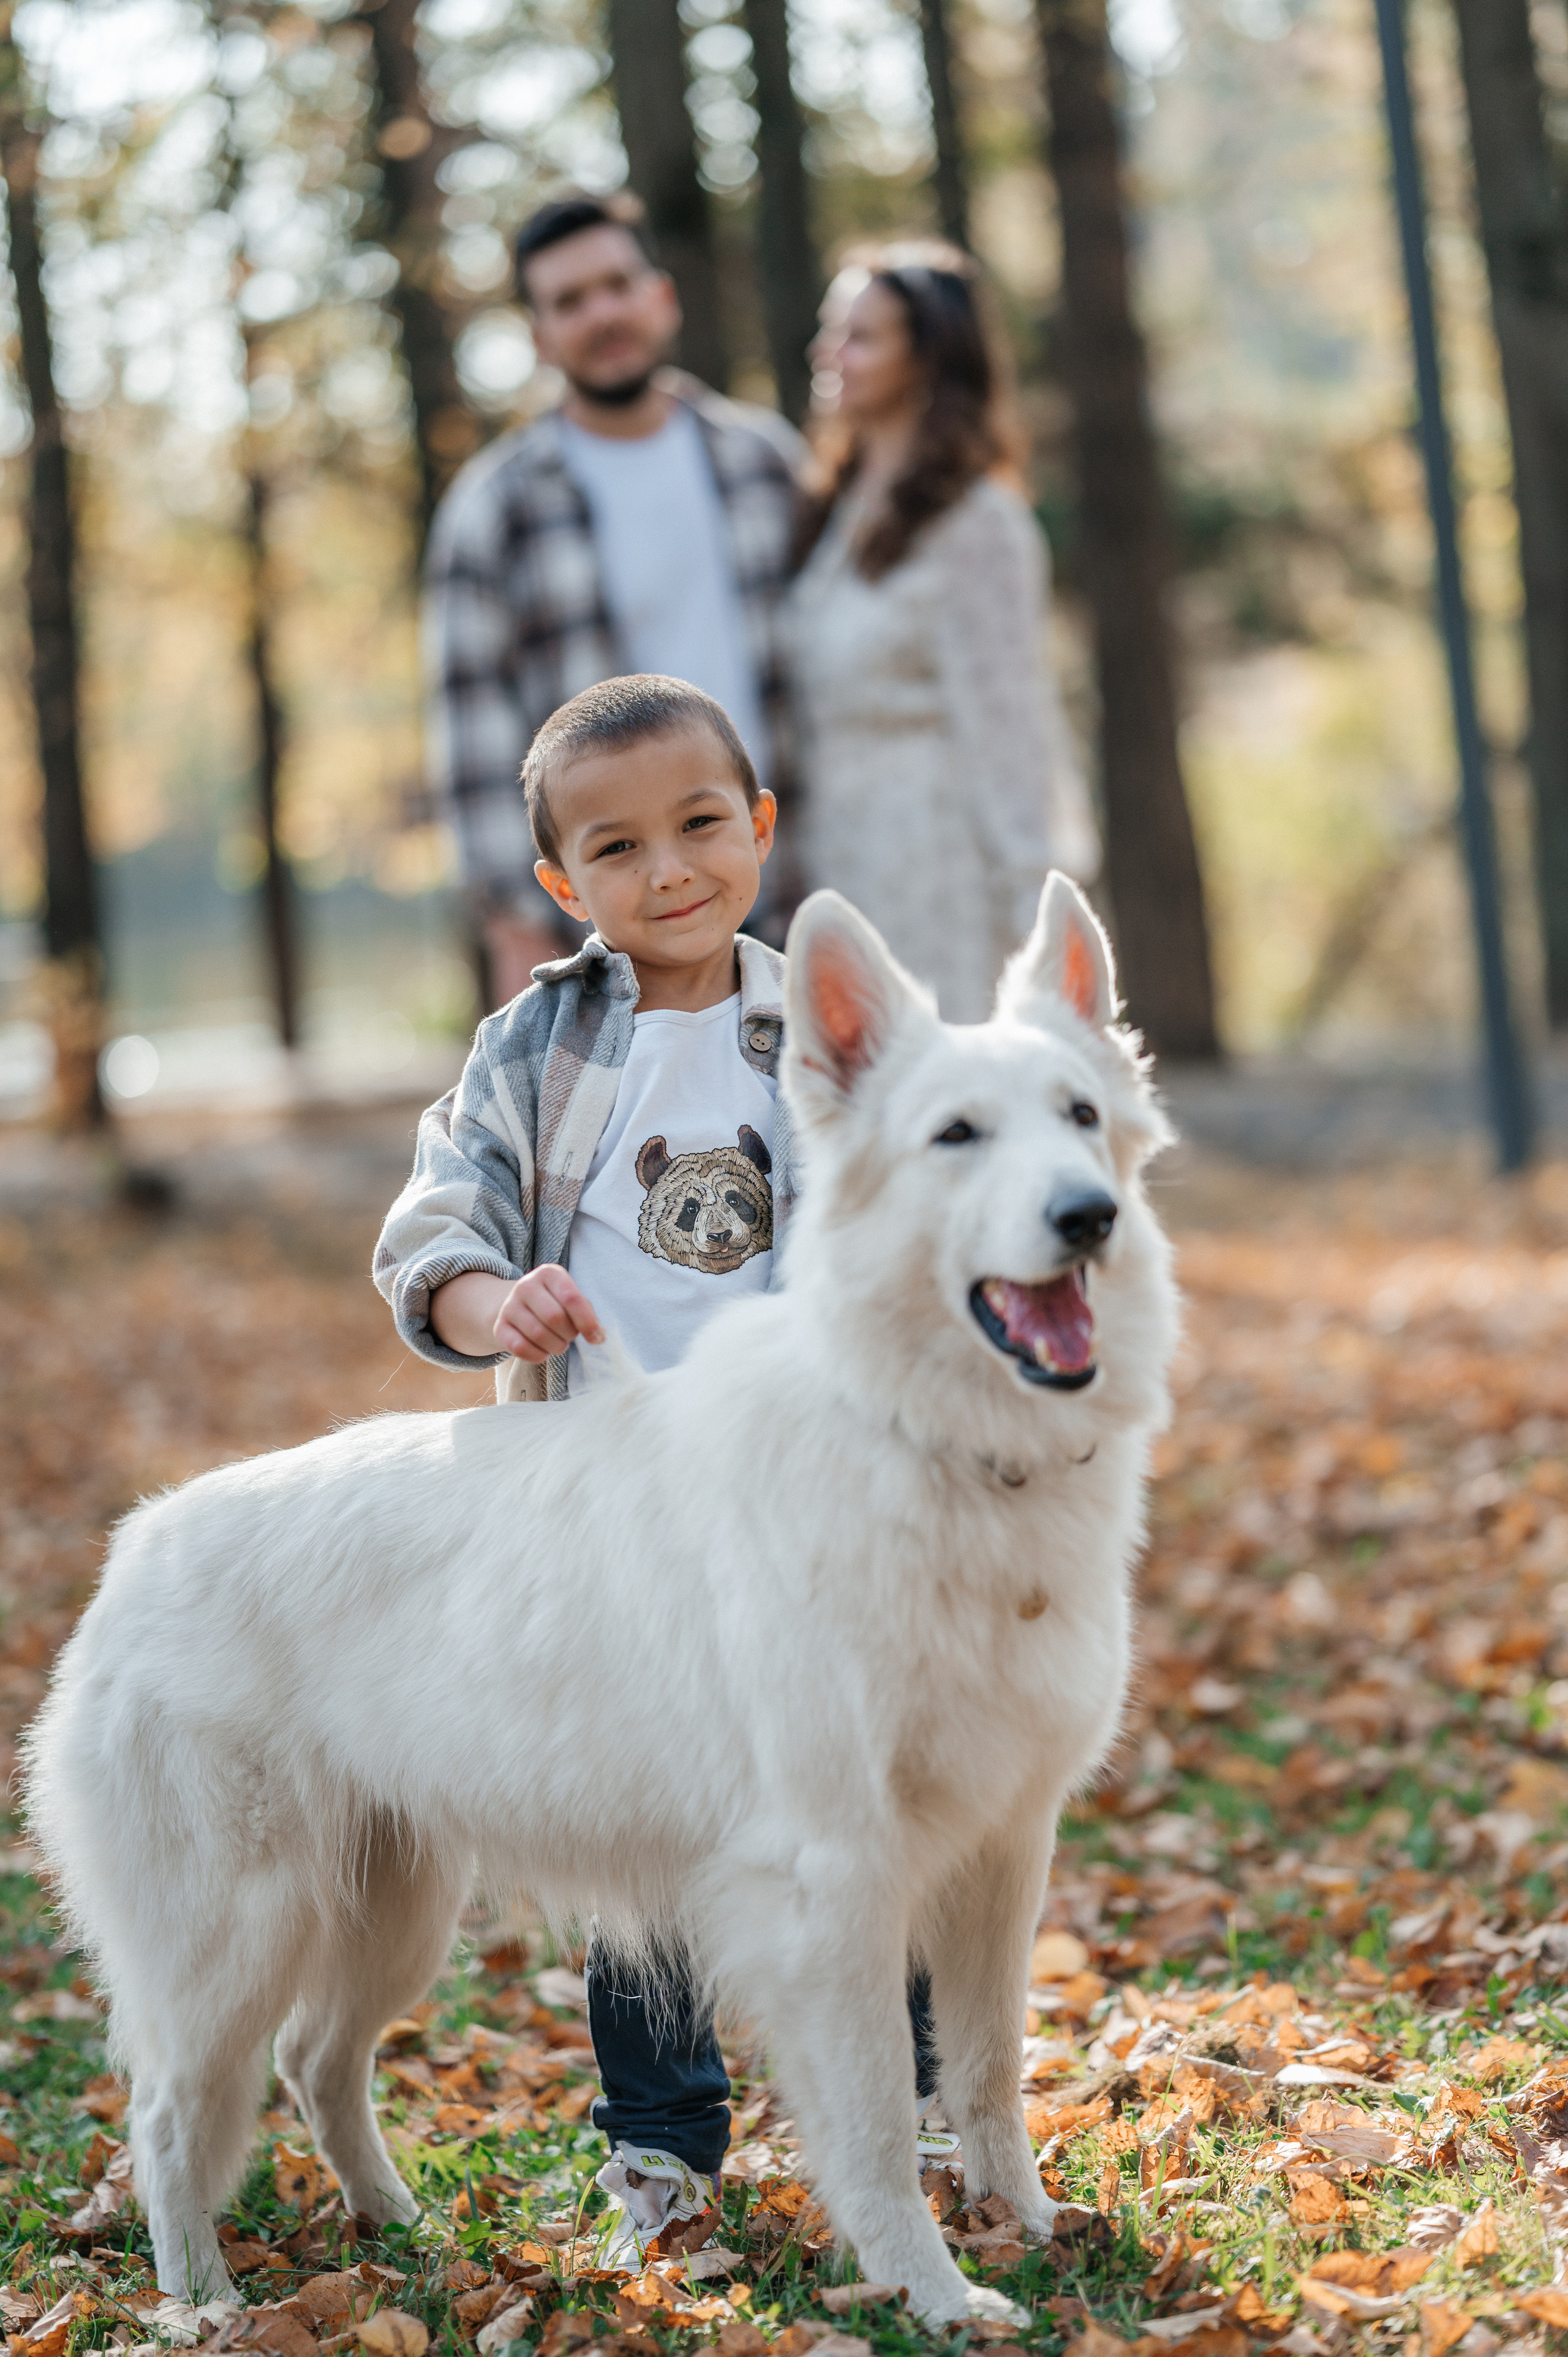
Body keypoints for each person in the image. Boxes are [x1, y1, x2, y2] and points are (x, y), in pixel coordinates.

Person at [372, 675, 948, 2264]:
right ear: (564, 883)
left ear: (759, 827)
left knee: (862, 1808)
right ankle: (665, 2147)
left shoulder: (842, 1018)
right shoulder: (537, 1038)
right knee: (646, 1816)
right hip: (607, 1497)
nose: (670, 866)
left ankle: (903, 2114)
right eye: (616, 845)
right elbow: (435, 1222)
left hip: (818, 1496)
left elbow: (926, 1197)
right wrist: (499, 1299)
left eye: (703, 822)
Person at [425, 191, 805, 1008]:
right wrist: (518, 933)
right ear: (540, 337)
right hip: (607, 932)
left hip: (786, 899)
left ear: (660, 296)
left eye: (616, 284)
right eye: (569, 301)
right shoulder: (495, 509)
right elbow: (474, 744)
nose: (602, 313)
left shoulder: (766, 465)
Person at [786, 243, 1098, 1023]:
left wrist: (1036, 908)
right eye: (832, 330)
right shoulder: (840, 507)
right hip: (840, 856)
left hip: (940, 867)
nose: (832, 353)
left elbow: (1011, 724)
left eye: (862, 336)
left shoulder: (978, 522)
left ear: (927, 358)